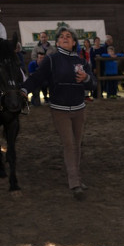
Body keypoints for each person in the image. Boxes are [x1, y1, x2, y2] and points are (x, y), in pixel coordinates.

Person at [20, 26, 97, 200]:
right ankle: (75, 182)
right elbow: (37, 77)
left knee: (77, 144)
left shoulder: (82, 62)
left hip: (79, 109)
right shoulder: (52, 60)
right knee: (69, 144)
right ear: (57, 41)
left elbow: (93, 84)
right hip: (59, 110)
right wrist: (25, 89)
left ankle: (76, 177)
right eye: (61, 36)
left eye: (68, 36)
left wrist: (86, 78)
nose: (64, 38)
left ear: (74, 42)